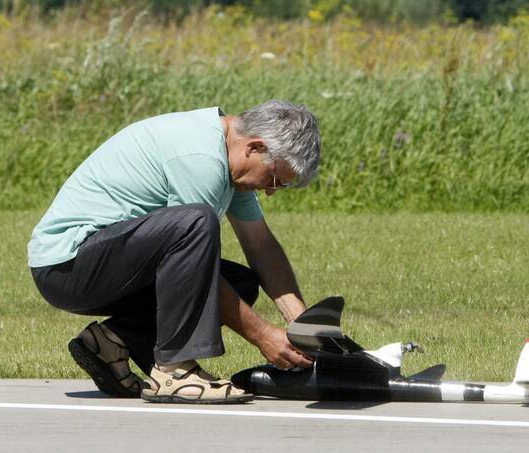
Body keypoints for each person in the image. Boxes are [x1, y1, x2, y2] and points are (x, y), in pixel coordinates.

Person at [28, 100, 320, 404]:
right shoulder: (200, 157)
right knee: (195, 222)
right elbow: (194, 254)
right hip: (67, 266)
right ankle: (175, 371)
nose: (271, 190)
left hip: (100, 263)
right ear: (255, 147)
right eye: (273, 178)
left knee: (241, 283)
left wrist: (304, 326)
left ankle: (111, 342)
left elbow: (261, 247)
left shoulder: (228, 157)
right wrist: (264, 336)